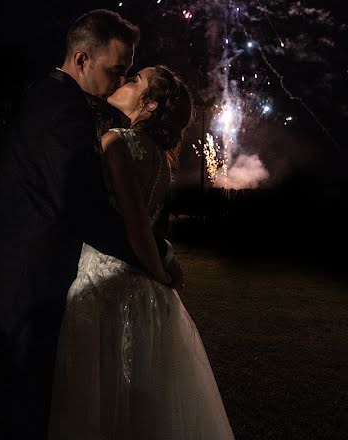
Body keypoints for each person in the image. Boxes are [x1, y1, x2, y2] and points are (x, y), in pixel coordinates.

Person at [0, 10, 177, 439]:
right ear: (82, 60)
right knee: (15, 404)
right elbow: (83, 208)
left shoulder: (49, 96)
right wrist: (153, 256)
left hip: (17, 272)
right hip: (26, 281)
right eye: (116, 71)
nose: (121, 82)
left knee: (9, 398)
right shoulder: (64, 109)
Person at [48, 65, 235, 440]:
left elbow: (134, 227)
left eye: (136, 81)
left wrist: (162, 269)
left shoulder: (116, 140)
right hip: (147, 293)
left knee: (100, 401)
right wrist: (162, 265)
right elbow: (150, 228)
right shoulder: (160, 159)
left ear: (148, 104)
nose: (126, 79)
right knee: (144, 406)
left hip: (106, 286)